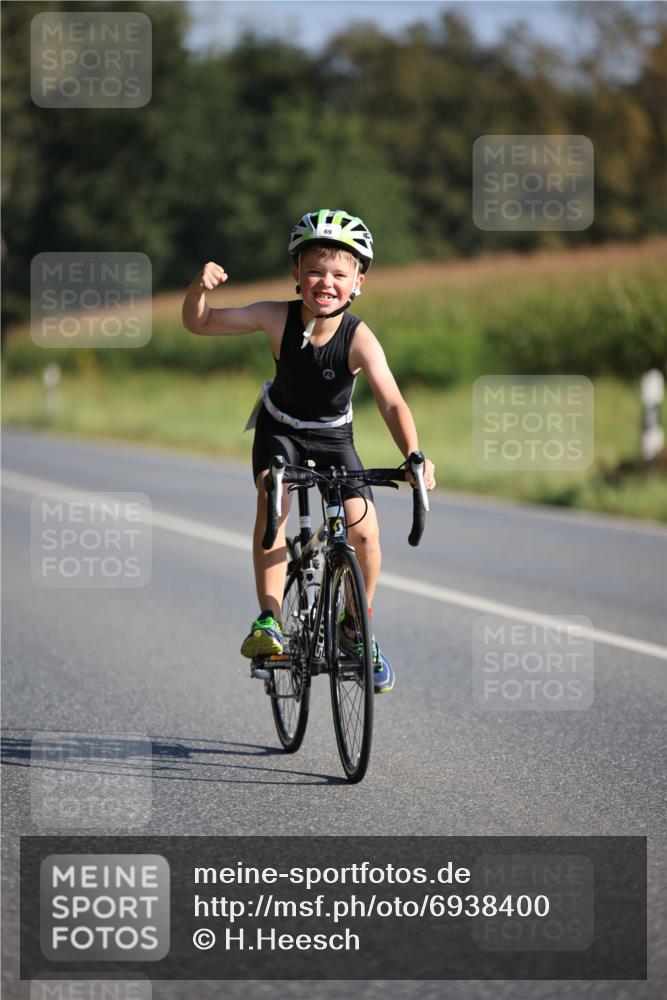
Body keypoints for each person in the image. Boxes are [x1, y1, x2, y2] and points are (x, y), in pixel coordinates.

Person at [182, 209, 436, 693]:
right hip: (280, 430)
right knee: (272, 500)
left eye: (340, 274)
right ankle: (270, 622)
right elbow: (202, 324)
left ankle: (354, 629)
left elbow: (391, 399)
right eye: (315, 271)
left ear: (358, 281)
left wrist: (415, 454)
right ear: (296, 274)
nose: (326, 282)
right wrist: (199, 288)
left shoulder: (358, 337)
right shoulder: (275, 316)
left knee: (366, 531)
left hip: (334, 438)